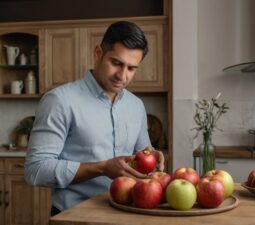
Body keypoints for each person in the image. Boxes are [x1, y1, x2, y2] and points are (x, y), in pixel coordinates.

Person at [24, 21, 165, 216]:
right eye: (116, 63)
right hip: (73, 216)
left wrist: (153, 158)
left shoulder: (136, 106)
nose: (122, 76)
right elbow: (36, 170)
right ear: (98, 53)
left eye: (131, 68)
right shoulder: (60, 100)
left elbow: (141, 154)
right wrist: (103, 168)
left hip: (126, 214)